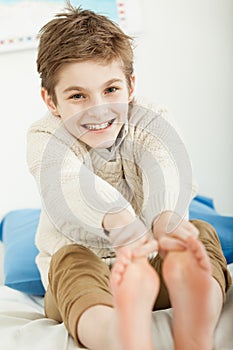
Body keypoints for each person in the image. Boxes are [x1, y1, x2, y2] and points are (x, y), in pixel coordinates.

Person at [27, 2, 231, 349]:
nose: (99, 109)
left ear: (131, 85)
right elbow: (65, 184)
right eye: (78, 96)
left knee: (196, 234)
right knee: (70, 260)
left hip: (152, 264)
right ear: (51, 101)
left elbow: (166, 165)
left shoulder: (150, 121)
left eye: (111, 90)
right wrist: (118, 219)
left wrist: (165, 222)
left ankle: (198, 310)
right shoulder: (45, 138)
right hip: (86, 276)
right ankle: (118, 334)